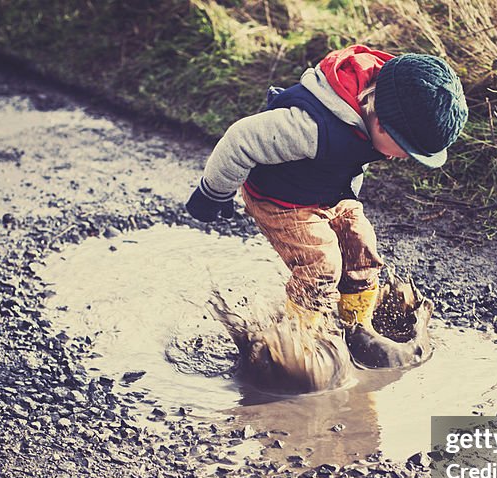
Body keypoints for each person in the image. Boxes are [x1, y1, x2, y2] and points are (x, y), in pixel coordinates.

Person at [185, 45, 467, 367]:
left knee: (362, 249)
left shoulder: (380, 113)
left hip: (328, 193)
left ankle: (356, 328)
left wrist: (346, 204)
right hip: (280, 200)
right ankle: (298, 346)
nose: (403, 158)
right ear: (382, 124)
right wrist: (213, 193)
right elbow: (240, 140)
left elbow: (353, 161)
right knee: (322, 265)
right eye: (406, 150)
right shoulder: (310, 127)